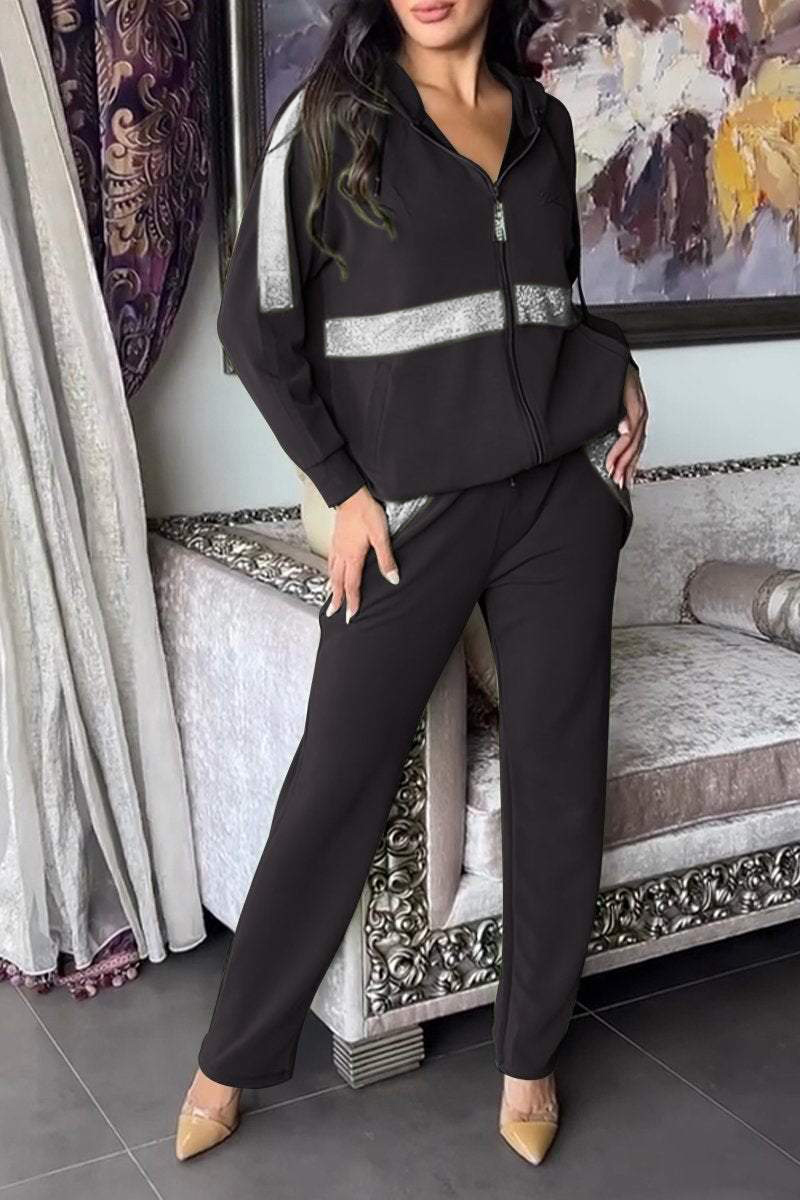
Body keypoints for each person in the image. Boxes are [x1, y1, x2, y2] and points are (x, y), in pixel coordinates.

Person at [176, 0, 648, 1169]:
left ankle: (529, 1055)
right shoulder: (329, 121)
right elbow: (256, 330)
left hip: (554, 504)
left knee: (557, 772)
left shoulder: (537, 120)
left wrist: (614, 369)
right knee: (336, 774)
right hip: (410, 518)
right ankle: (231, 1055)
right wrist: (341, 488)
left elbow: (546, 305)